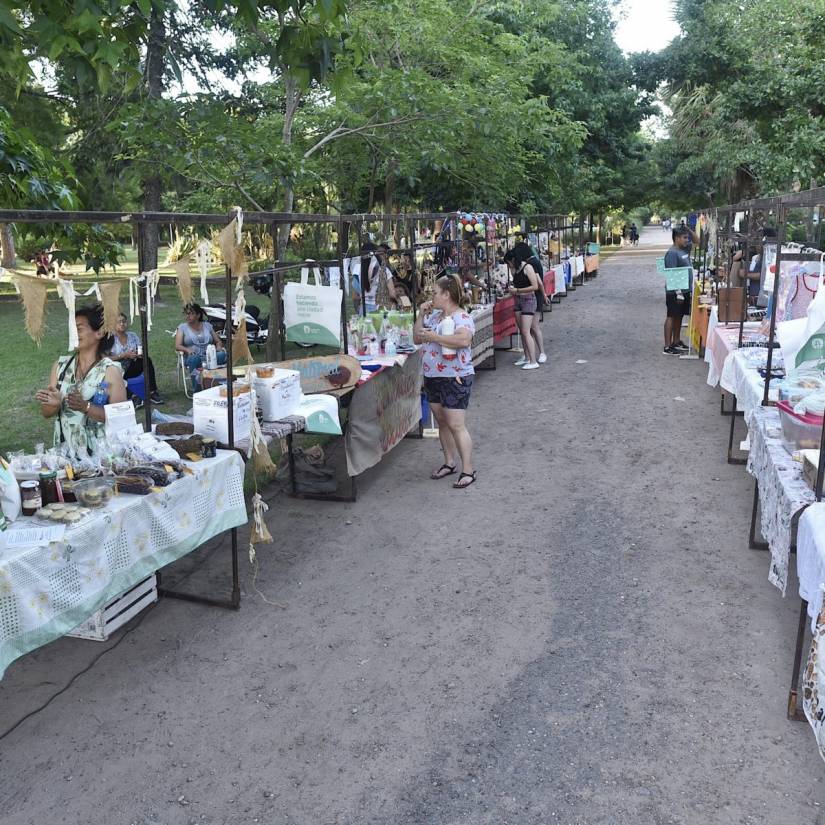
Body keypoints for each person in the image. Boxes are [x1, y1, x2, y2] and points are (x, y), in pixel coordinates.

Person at [35, 304, 127, 458]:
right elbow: (46, 413)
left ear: (99, 332)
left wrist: (86, 407)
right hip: (66, 454)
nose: (73, 333)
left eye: (78, 329)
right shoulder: (60, 366)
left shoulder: (110, 371)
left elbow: (121, 418)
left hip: (100, 458)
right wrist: (54, 405)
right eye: (72, 329)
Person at [413, 274, 476, 489]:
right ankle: (449, 462)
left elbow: (463, 339)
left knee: (456, 424)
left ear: (446, 295)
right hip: (433, 376)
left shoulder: (462, 317)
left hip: (455, 376)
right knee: (442, 421)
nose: (432, 297)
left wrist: (436, 338)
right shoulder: (434, 316)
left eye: (435, 293)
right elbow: (416, 338)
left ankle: (468, 469)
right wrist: (420, 316)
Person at [109, 313, 163, 408]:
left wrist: (139, 354)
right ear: (113, 324)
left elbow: (140, 348)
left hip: (132, 365)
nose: (122, 324)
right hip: (116, 370)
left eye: (124, 321)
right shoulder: (110, 339)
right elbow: (105, 359)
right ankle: (134, 396)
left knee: (146, 360)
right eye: (119, 322)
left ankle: (152, 392)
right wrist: (123, 355)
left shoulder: (132, 335)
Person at [503, 246, 541, 369]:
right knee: (522, 331)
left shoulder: (527, 267)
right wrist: (505, 296)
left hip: (529, 300)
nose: (508, 266)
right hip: (518, 300)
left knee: (526, 331)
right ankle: (526, 357)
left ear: (513, 260)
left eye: (508, 263)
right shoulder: (515, 270)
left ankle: (533, 361)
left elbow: (535, 286)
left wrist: (518, 290)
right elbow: (514, 289)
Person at [175, 302, 226, 390]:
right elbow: (178, 345)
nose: (188, 316)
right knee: (194, 359)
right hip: (192, 357)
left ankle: (217, 383)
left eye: (191, 314)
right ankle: (198, 389)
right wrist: (187, 350)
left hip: (209, 356)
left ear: (198, 315)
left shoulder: (207, 326)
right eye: (186, 314)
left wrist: (218, 347)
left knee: (222, 355)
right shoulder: (182, 328)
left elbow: (218, 341)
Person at [511, 241, 547, 363]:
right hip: (531, 296)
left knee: (533, 327)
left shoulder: (530, 264)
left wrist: (544, 295)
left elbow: (539, 283)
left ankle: (541, 352)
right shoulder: (530, 262)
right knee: (529, 329)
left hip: (534, 296)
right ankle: (530, 355)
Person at [663, 225, 692, 355]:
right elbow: (671, 274)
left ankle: (677, 341)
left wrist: (688, 230)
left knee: (679, 316)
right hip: (675, 292)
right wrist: (678, 293)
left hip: (685, 289)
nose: (687, 240)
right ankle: (667, 346)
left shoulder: (684, 250)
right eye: (684, 237)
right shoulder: (672, 253)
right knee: (671, 316)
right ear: (676, 238)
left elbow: (697, 241)